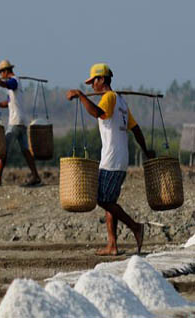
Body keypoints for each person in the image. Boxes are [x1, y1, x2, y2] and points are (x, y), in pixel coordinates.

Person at [66, 63, 155, 256]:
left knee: (102, 199)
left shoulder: (109, 98)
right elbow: (136, 129)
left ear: (102, 80)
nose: (92, 87)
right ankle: (112, 245)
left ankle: (135, 227)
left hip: (112, 159)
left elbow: (98, 113)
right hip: (119, 158)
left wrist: (81, 96)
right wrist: (146, 150)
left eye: (93, 82)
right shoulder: (121, 101)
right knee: (110, 201)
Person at [0, 59, 41, 187]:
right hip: (22, 122)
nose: (1, 76)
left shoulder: (14, 81)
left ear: (5, 72)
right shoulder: (13, 85)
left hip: (15, 122)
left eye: (1, 73)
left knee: (3, 150)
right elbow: (8, 102)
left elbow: (6, 84)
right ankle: (36, 176)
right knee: (26, 151)